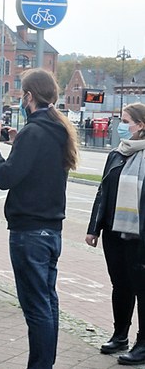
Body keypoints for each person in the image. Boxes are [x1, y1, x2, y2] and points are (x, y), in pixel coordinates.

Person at [0, 69, 78, 369]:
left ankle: (40, 365)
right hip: (51, 230)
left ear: (29, 96)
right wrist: (17, 144)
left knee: (36, 306)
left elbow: (6, 178)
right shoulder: (57, 129)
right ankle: (43, 363)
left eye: (22, 95)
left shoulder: (34, 132)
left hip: (30, 231)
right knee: (47, 301)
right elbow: (36, 165)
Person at [86, 102, 145, 364]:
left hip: (139, 235)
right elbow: (103, 191)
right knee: (120, 284)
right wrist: (94, 228)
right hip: (113, 230)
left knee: (141, 287)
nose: (120, 125)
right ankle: (120, 334)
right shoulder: (117, 154)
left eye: (125, 120)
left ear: (140, 125)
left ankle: (142, 343)